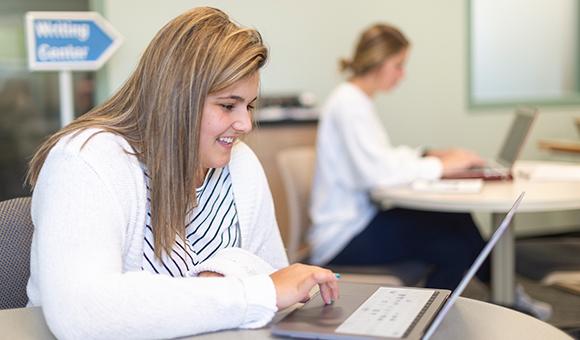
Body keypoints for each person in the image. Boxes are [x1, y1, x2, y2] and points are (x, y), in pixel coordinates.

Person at [25, 7, 338, 340]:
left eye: (248, 105)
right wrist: (251, 292)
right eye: (228, 105)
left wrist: (223, 275)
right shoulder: (85, 161)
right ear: (176, 99)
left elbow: (278, 280)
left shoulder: (240, 165)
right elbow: (85, 313)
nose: (245, 124)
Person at [308, 23, 553, 321]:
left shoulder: (355, 100)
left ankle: (443, 314)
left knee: (455, 232)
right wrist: (440, 165)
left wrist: (427, 153)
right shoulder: (349, 104)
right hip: (343, 237)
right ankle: (478, 303)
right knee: (454, 243)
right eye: (398, 65)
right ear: (378, 61)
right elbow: (375, 174)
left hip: (358, 222)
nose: (402, 74)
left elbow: (381, 157)